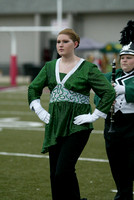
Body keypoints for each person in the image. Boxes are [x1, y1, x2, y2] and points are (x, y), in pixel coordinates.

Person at [28, 28, 115, 200]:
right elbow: (33, 88)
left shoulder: (87, 68)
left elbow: (108, 92)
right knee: (55, 173)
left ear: (75, 44)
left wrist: (94, 115)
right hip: (55, 124)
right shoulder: (49, 66)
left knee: (63, 170)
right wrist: (38, 109)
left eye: (65, 41)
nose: (60, 45)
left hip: (78, 125)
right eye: (58, 41)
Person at [94, 20, 134, 200]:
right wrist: (103, 99)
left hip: (132, 127)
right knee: (118, 168)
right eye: (123, 58)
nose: (124, 61)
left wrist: (125, 90)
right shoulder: (112, 75)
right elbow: (97, 90)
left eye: (129, 58)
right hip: (112, 128)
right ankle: (122, 195)